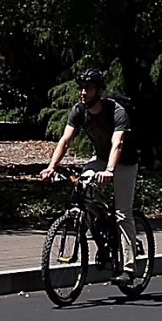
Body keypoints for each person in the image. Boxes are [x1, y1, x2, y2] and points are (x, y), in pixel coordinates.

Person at [38, 67, 136, 242]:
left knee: (123, 215)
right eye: (81, 87)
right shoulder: (79, 111)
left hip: (124, 162)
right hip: (100, 159)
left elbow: (117, 143)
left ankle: (129, 266)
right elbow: (65, 140)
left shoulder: (116, 111)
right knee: (82, 187)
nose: (83, 92)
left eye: (88, 88)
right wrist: (51, 167)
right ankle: (101, 220)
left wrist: (109, 171)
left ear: (98, 90)